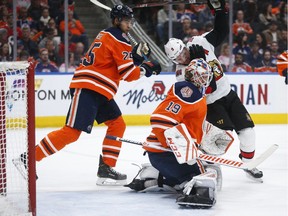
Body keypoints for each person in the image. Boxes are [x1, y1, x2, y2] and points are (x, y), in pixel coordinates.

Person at [14, 4, 161, 185]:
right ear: (116, 20)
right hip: (89, 87)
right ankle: (27, 159)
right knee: (71, 132)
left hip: (99, 89)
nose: (129, 25)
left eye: (131, 21)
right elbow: (128, 74)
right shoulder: (120, 39)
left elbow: (113, 64)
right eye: (126, 21)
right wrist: (146, 68)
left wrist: (135, 58)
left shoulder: (107, 34)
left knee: (117, 124)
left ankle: (106, 168)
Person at [163, 0, 263, 182]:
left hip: (229, 95)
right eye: (178, 58)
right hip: (211, 104)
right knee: (219, 139)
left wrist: (219, 10)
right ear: (174, 60)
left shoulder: (199, 42)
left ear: (185, 46)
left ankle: (249, 164)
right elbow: (208, 88)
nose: (183, 58)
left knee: (248, 132)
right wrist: (199, 63)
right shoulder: (181, 75)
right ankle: (201, 166)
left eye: (183, 52)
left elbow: (221, 32)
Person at [126, 58, 222, 208]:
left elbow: (188, 123)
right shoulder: (189, 92)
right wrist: (180, 149)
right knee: (204, 177)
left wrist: (203, 137)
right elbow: (160, 120)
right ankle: (179, 182)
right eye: (203, 76)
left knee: (208, 168)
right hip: (166, 154)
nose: (206, 80)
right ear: (194, 76)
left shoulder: (195, 94)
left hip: (164, 155)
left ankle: (155, 177)